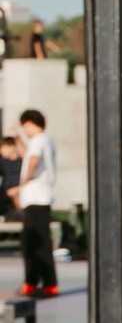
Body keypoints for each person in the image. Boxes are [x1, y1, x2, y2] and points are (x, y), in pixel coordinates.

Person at [13, 109, 57, 299]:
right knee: (32, 243)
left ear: (30, 123)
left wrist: (21, 185)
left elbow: (33, 160)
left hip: (36, 198)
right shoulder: (42, 141)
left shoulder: (39, 140)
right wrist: (17, 138)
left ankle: (47, 284)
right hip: (38, 198)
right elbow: (28, 155)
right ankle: (33, 283)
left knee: (37, 244)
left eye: (25, 127)